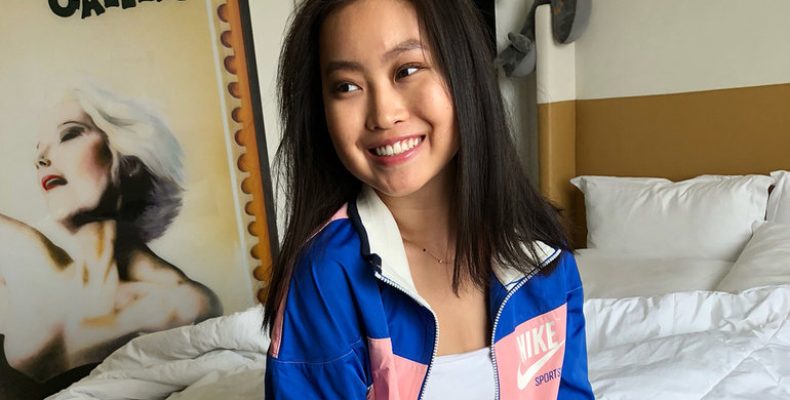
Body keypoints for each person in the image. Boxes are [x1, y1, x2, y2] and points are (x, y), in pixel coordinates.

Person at [264, 0, 594, 398]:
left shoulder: (540, 248)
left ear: (464, 73)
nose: (383, 115)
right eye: (346, 86)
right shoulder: (326, 274)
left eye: (406, 70)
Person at [0, 83, 222, 388]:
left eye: (68, 134)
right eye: (38, 149)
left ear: (128, 161)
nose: (41, 158)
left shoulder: (183, 304)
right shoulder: (22, 257)